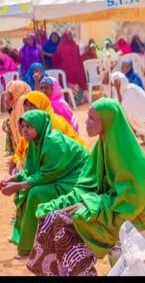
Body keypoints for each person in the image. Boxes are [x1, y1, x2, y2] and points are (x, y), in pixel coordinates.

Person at [26, 98, 145, 276]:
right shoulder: (102, 147)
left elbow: (136, 194)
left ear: (107, 121)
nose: (86, 122)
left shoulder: (130, 156)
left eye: (92, 119)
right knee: (54, 220)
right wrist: (60, 204)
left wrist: (92, 205)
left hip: (131, 222)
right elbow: (86, 187)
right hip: (109, 216)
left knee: (134, 271)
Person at [0, 110, 88, 258]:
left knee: (36, 193)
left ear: (39, 126)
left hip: (75, 179)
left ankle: (27, 248)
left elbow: (46, 175)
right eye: (23, 126)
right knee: (31, 190)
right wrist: (11, 179)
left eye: (29, 126)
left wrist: (18, 185)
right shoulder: (35, 142)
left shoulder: (52, 143)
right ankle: (31, 240)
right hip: (59, 175)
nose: (24, 130)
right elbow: (32, 171)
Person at [11, 91, 86, 174]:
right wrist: (17, 161)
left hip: (68, 166)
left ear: (42, 106)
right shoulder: (30, 124)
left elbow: (55, 161)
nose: (28, 109)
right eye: (26, 106)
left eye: (32, 105)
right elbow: (20, 150)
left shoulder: (54, 124)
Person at [111, 72, 145, 146]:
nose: (113, 86)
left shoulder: (131, 90)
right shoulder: (120, 91)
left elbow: (122, 108)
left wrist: (117, 89)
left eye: (114, 83)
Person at [52, 31, 88, 104]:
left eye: (71, 35)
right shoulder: (61, 46)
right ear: (65, 36)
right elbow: (57, 58)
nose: (71, 36)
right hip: (67, 72)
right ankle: (71, 101)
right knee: (68, 84)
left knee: (79, 82)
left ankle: (77, 101)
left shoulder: (75, 45)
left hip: (77, 70)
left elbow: (78, 57)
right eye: (69, 35)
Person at [2, 81, 31, 152]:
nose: (10, 95)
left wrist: (8, 107)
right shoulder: (18, 101)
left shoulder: (21, 101)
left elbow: (7, 99)